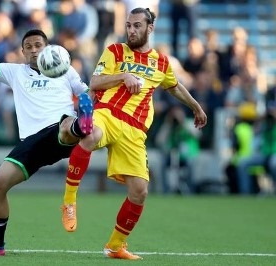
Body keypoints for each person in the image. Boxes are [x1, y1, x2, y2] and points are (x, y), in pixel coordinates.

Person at [0, 11, 94, 255]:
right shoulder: (16, 72)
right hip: (32, 143)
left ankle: (80, 126)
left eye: (38, 45)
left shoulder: (64, 70)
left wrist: (87, 103)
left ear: (47, 48)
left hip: (60, 130)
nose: (34, 50)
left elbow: (86, 93)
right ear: (23, 52)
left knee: (65, 127)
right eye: (28, 46)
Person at [60, 7, 207, 260]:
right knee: (91, 134)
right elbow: (95, 82)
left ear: (150, 28)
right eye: (128, 25)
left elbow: (174, 86)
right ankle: (69, 200)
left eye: (137, 25)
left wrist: (195, 106)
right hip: (108, 113)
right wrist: (123, 76)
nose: (131, 30)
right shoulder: (115, 51)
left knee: (140, 192)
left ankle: (115, 246)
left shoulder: (161, 62)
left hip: (136, 130)